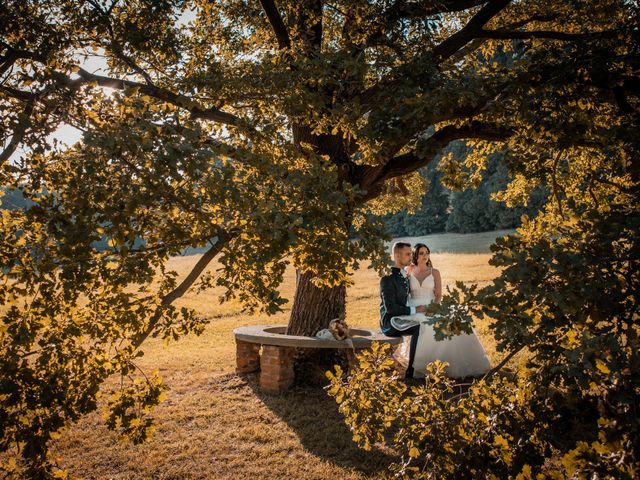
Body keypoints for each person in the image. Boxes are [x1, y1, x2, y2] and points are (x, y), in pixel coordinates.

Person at [392, 243, 491, 379]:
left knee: (451, 323)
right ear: (415, 255)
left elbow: (438, 295)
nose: (425, 256)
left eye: (427, 253)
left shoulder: (434, 272)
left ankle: (446, 364)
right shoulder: (409, 270)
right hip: (414, 307)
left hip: (432, 306)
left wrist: (433, 309)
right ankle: (420, 365)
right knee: (421, 323)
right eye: (421, 253)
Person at [379, 242, 427, 379]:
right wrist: (414, 310)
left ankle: (425, 364)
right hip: (390, 322)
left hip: (402, 316)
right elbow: (390, 309)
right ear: (397, 256)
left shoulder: (404, 275)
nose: (411, 256)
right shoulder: (387, 278)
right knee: (418, 327)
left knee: (425, 323)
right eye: (407, 254)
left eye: (411, 253)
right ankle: (410, 371)